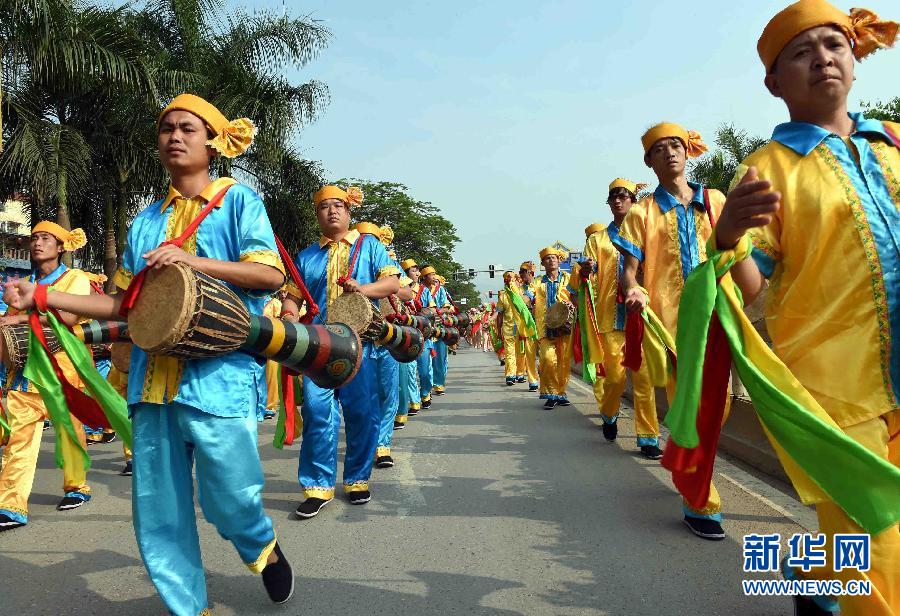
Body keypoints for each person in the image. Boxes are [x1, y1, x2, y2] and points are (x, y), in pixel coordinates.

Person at [4, 93, 295, 613]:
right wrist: (42, 297)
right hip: (150, 383)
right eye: (166, 129)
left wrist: (193, 262)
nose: (175, 136)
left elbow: (269, 274)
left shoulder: (238, 201)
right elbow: (121, 304)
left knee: (232, 497)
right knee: (158, 511)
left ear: (213, 142)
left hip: (219, 376)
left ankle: (261, 547)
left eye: (187, 128)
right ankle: (189, 606)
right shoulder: (144, 223)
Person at [716, 2, 898, 612]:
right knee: (877, 544)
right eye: (801, 52)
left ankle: (811, 570)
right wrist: (727, 236)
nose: (822, 59)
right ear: (773, 82)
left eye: (834, 45)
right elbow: (751, 284)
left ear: (855, 59)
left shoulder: (894, 144)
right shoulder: (767, 170)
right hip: (834, 385)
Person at [612, 122, 729, 540]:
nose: (670, 153)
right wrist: (634, 289)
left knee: (719, 408)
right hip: (670, 326)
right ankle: (700, 501)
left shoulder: (714, 201)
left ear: (687, 151)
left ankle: (686, 466)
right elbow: (629, 270)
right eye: (659, 149)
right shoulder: (641, 214)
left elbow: (735, 252)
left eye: (675, 145)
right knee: (689, 407)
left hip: (718, 319)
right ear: (649, 161)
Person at [282, 186, 400, 519]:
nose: (331, 211)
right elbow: (293, 297)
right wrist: (289, 314)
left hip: (360, 345)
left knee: (361, 412)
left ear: (349, 212)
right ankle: (317, 487)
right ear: (317, 215)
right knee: (317, 412)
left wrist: (363, 288)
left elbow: (392, 284)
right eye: (324, 207)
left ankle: (357, 480)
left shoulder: (370, 247)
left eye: (338, 205)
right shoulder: (307, 256)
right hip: (317, 347)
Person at [0, 222, 94, 530]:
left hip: (64, 372)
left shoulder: (75, 278)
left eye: (45, 238)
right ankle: (11, 505)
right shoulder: (22, 283)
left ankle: (77, 486)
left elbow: (67, 316)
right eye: (34, 238)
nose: (37, 243)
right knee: (19, 439)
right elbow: (8, 326)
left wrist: (19, 318)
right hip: (25, 374)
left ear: (61, 246)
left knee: (70, 434)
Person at [571, 179, 661, 459]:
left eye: (624, 196)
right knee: (614, 380)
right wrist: (586, 270)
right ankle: (609, 413)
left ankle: (648, 438)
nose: (619, 201)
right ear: (609, 203)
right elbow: (582, 276)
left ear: (633, 201)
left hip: (641, 316)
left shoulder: (646, 234)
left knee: (644, 381)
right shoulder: (597, 240)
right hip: (611, 320)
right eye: (614, 197)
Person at [534, 247, 573, 409]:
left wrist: (572, 304)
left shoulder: (568, 278)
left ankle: (560, 393)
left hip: (565, 327)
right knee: (547, 359)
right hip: (545, 327)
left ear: (559, 260)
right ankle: (551, 393)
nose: (551, 260)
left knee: (563, 362)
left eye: (554, 257)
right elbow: (528, 298)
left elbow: (577, 295)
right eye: (547, 258)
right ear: (543, 263)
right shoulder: (538, 282)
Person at [402, 258, 433, 411]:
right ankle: (414, 402)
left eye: (417, 271)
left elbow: (432, 310)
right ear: (406, 273)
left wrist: (424, 314)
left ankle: (425, 393)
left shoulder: (424, 290)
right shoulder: (400, 289)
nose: (417, 274)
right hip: (407, 336)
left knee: (425, 371)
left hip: (423, 336)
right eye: (414, 271)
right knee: (409, 371)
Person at [421, 265, 452, 396]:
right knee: (425, 360)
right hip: (423, 328)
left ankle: (439, 384)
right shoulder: (419, 289)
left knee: (439, 357)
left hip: (439, 327)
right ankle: (426, 387)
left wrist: (434, 312)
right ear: (424, 277)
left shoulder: (440, 290)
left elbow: (447, 308)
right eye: (431, 274)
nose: (434, 277)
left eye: (435, 274)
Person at [518, 261, 540, 391]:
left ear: (531, 272)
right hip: (528, 325)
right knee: (530, 354)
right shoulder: (519, 289)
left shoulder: (539, 283)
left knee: (546, 355)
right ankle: (533, 380)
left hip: (542, 323)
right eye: (520, 272)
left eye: (523, 272)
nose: (521, 274)